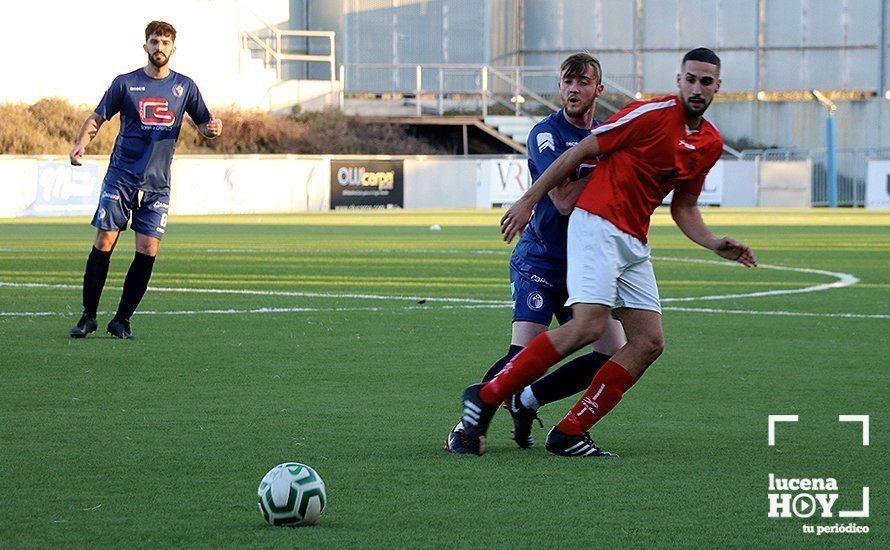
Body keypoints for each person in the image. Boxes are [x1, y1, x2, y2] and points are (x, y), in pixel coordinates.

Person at [452, 48, 757, 457]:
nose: (697, 88)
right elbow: (573, 166)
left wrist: (714, 242)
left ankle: (565, 427)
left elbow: (684, 207)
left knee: (647, 342)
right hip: (578, 238)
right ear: (678, 79)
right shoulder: (644, 115)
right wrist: (527, 200)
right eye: (690, 79)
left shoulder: (709, 143)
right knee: (581, 329)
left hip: (631, 240)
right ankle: (484, 401)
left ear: (717, 86)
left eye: (706, 81)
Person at [446, 53, 626, 453]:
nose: (574, 89)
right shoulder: (547, 134)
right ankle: (465, 428)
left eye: (583, 82)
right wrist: (614, 174)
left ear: (599, 89)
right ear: (560, 87)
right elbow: (563, 199)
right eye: (567, 82)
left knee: (612, 352)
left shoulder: (606, 133)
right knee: (524, 353)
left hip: (585, 266)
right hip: (541, 259)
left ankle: (527, 400)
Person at [68, 20, 222, 339]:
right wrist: (82, 142)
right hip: (121, 177)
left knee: (148, 249)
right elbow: (98, 117)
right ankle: (88, 317)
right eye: (154, 41)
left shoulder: (185, 87)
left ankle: (121, 320)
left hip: (157, 185)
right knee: (104, 241)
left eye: (165, 42)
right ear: (145, 46)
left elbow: (205, 124)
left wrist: (212, 129)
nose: (159, 47)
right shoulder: (125, 84)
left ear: (173, 48)